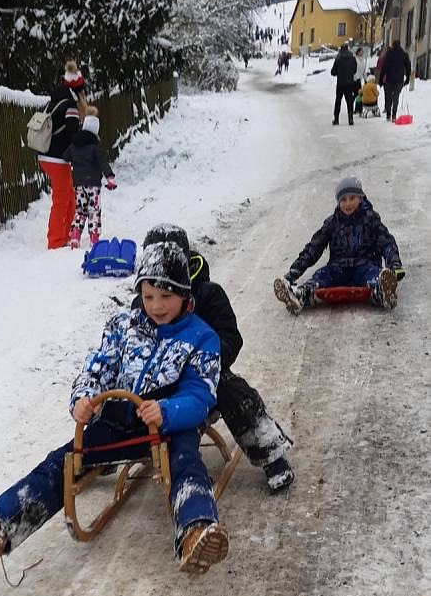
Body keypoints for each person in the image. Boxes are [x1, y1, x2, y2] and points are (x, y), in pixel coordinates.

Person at [0, 233, 229, 576]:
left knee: (186, 463)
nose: (156, 305)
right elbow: (98, 368)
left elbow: (200, 394)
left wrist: (167, 411)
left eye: (166, 296)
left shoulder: (202, 336)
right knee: (62, 463)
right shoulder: (123, 326)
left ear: (185, 295)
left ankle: (195, 530)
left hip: (167, 424)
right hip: (117, 421)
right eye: (148, 295)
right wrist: (82, 399)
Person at [135, 225, 294, 491]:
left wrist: (205, 355)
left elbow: (231, 336)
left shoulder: (208, 293)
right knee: (122, 389)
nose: (156, 303)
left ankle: (270, 451)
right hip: (161, 377)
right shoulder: (144, 301)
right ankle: (103, 448)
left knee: (234, 394)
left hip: (207, 373)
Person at [273, 176, 404, 314]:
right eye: (343, 199)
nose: (348, 204)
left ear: (360, 198)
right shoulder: (332, 223)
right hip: (338, 267)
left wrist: (394, 264)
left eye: (352, 198)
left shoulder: (370, 219)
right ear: (338, 202)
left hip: (365, 265)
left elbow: (386, 241)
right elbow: (313, 248)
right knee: (321, 276)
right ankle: (299, 295)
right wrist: (294, 272)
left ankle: (382, 292)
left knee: (374, 277)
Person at [38, 59, 90, 249]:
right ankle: (55, 240)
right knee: (61, 198)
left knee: (69, 195)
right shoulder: (70, 105)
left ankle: (67, 232)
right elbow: (72, 134)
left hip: (47, 155)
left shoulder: (55, 99)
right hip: (56, 158)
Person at [63, 114, 117, 249]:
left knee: (80, 210)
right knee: (94, 210)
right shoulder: (95, 145)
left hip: (78, 184)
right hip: (93, 184)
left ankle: (75, 236)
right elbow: (102, 162)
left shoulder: (74, 144)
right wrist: (109, 177)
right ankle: (94, 238)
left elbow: (65, 156)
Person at [379, 40, 411, 122]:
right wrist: (407, 78)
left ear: (393, 45)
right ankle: (394, 115)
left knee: (389, 97)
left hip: (389, 79)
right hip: (399, 80)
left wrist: (381, 79)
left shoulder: (389, 55)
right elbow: (408, 67)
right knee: (396, 97)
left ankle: (388, 114)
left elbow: (384, 68)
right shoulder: (404, 55)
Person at [331, 43, 357, 126]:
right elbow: (354, 70)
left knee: (338, 100)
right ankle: (350, 119)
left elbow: (333, 72)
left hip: (340, 83)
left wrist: (338, 73)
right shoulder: (352, 58)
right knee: (349, 101)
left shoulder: (338, 58)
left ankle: (336, 119)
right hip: (349, 83)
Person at [353, 46, 367, 114]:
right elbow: (354, 70)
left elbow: (364, 70)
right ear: (358, 52)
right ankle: (356, 108)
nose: (362, 53)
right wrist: (356, 78)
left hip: (359, 79)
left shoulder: (362, 60)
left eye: (362, 52)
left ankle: (357, 108)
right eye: (361, 52)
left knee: (358, 95)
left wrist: (365, 79)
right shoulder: (355, 59)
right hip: (355, 79)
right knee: (358, 94)